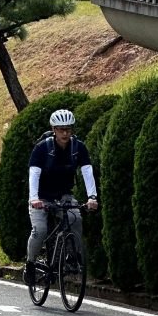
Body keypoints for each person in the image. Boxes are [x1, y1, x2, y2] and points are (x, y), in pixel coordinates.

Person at [24, 108, 99, 285]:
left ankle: (74, 257)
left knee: (75, 219)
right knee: (40, 230)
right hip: (41, 197)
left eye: (68, 129)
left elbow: (87, 172)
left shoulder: (78, 147)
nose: (65, 133)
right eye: (60, 129)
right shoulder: (42, 148)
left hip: (63, 195)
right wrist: (34, 199)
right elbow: (33, 174)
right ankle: (30, 264)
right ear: (54, 129)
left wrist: (92, 197)